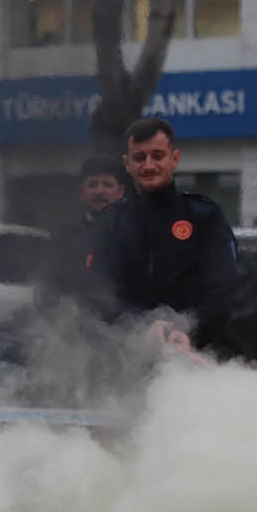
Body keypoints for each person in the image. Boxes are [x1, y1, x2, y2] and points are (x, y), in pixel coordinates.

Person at [87, 117, 239, 352]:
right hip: (125, 358)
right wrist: (141, 325)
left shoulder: (204, 216)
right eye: (139, 158)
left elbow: (223, 290)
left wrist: (189, 328)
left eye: (157, 156)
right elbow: (98, 291)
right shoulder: (110, 221)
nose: (148, 166)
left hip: (195, 355)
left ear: (174, 159)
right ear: (127, 164)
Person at [36, 154, 127, 303]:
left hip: (127, 323)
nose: (99, 191)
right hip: (74, 319)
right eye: (92, 184)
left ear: (120, 192)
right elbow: (48, 285)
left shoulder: (134, 234)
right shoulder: (64, 238)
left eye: (107, 185)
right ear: (81, 192)